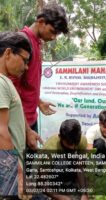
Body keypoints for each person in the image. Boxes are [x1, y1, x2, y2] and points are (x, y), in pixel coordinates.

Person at [10, 2, 68, 151]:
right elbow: (11, 91)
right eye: (52, 31)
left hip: (30, 117)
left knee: (28, 168)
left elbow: (27, 83)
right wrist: (27, 131)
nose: (54, 37)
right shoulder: (23, 42)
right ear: (41, 22)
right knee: (19, 171)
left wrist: (38, 101)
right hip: (19, 123)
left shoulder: (36, 43)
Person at [0, 31, 32, 199]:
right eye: (24, 60)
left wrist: (28, 131)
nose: (26, 67)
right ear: (8, 53)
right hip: (9, 170)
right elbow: (1, 132)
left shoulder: (6, 81)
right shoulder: (0, 82)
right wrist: (17, 173)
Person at [42, 119, 88, 200]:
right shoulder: (50, 149)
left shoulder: (82, 140)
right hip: (52, 170)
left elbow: (80, 167)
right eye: (69, 144)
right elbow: (40, 183)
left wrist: (84, 193)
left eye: (76, 144)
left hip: (68, 165)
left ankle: (71, 183)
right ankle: (56, 186)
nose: (73, 147)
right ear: (60, 137)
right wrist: (59, 197)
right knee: (61, 165)